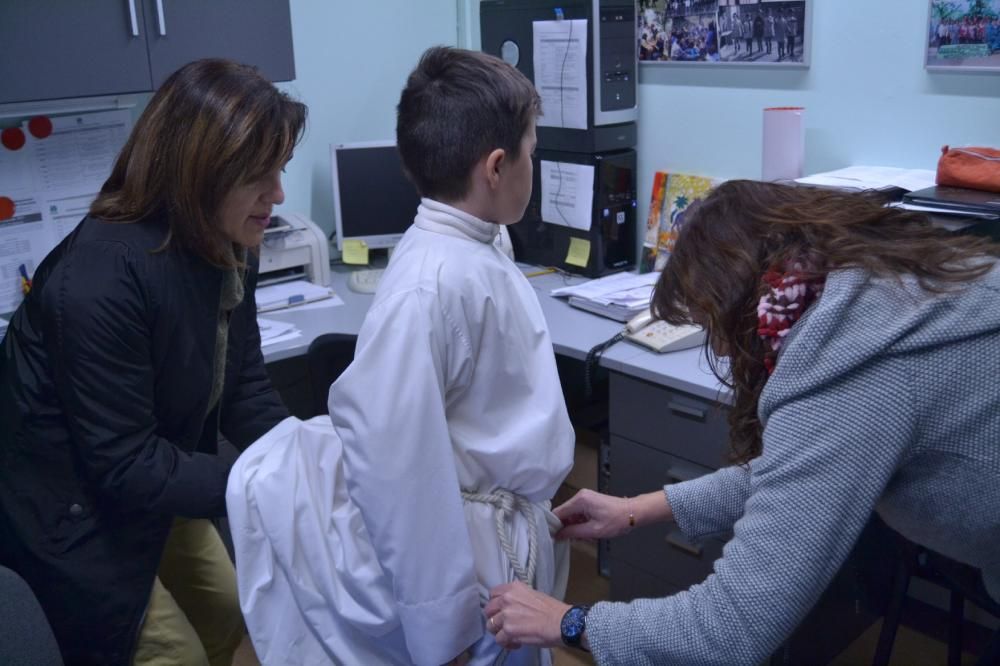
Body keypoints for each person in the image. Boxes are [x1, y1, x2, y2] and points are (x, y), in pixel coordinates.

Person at [484, 180, 1000, 664]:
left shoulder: (849, 363)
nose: (722, 348)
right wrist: (636, 509)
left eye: (712, 324)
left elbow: (732, 628)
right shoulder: (877, 285)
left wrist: (570, 622)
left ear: (737, 303)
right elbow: (802, 470)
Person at [227, 46, 574, 666]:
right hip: (474, 584)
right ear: (496, 167)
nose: (534, 165)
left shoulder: (478, 245)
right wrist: (443, 635)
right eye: (532, 151)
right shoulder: (430, 284)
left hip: (505, 554)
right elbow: (399, 474)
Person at [0, 59, 305, 665]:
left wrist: (307, 458)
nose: (278, 195)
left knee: (243, 625)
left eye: (281, 170)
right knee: (178, 655)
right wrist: (263, 485)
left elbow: (242, 386)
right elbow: (124, 463)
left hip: (152, 479)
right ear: (201, 174)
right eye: (260, 175)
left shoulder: (228, 243)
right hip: (71, 513)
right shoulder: (100, 278)